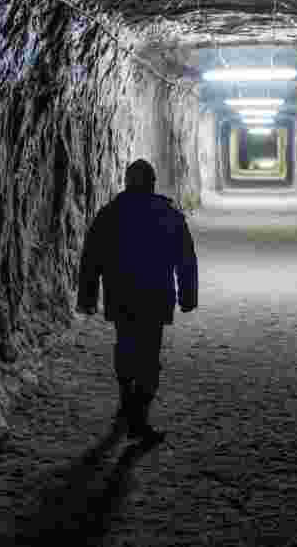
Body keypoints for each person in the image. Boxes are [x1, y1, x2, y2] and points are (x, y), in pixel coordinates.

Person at [77, 159, 199, 445]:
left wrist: (88, 296)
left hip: (121, 295)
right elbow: (185, 258)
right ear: (153, 183)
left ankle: (126, 402)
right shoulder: (167, 214)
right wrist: (188, 295)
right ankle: (139, 416)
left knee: (125, 345)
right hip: (155, 297)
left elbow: (91, 259)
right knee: (148, 355)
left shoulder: (109, 214)